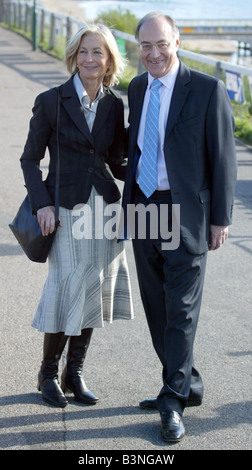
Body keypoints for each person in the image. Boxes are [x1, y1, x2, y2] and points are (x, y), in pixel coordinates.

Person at [121, 12, 237, 442]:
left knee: (182, 308)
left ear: (177, 41)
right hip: (144, 208)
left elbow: (224, 156)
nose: (153, 54)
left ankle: (172, 399)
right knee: (157, 306)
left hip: (185, 212)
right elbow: (136, 149)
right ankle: (186, 382)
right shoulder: (137, 87)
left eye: (161, 44)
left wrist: (220, 218)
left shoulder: (207, 90)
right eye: (145, 46)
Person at [20, 24, 133, 408]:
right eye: (84, 51)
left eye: (97, 53)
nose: (90, 59)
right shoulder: (51, 100)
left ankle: (75, 373)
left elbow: (116, 162)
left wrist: (156, 169)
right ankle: (48, 374)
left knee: (93, 289)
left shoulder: (114, 104)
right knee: (66, 284)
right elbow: (30, 160)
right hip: (64, 210)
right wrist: (42, 204)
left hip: (104, 209)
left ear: (108, 61)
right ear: (74, 55)